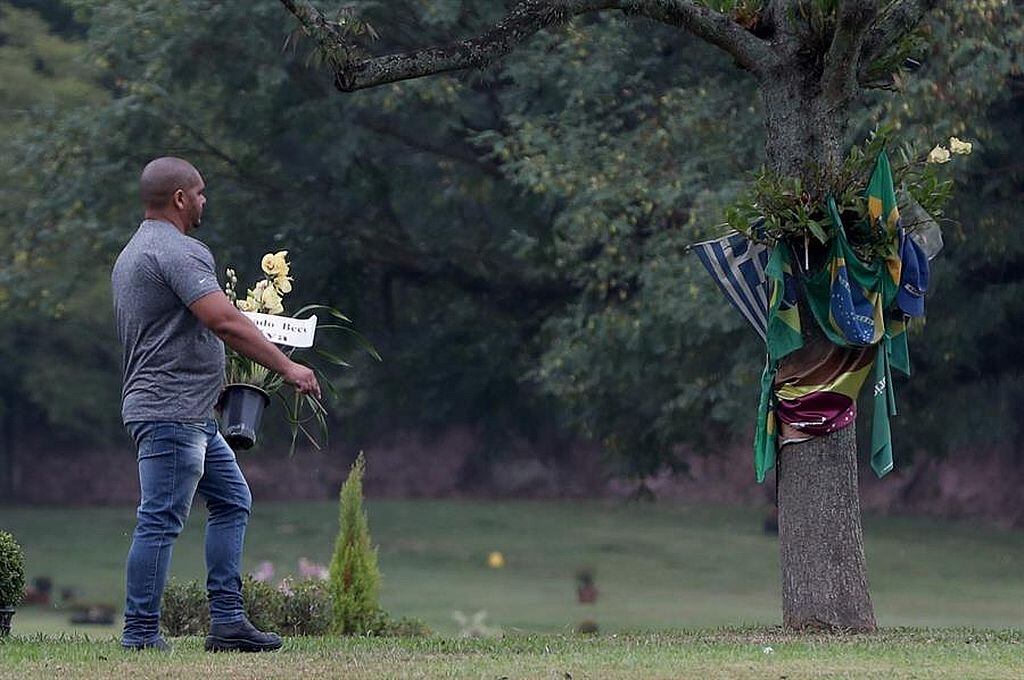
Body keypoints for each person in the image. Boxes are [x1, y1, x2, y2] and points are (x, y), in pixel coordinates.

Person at [111, 157, 320, 652]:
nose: (205, 201)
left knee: (232, 500)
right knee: (160, 519)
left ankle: (227, 622)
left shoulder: (134, 251)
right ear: (180, 198)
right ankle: (140, 634)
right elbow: (223, 321)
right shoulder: (178, 251)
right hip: (172, 412)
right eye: (200, 193)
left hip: (189, 413)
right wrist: (287, 368)